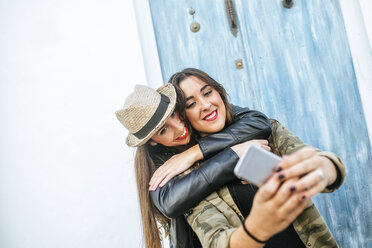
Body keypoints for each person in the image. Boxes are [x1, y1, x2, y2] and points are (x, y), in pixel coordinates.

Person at [147, 68, 345, 247]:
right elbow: (217, 241)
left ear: (219, 92)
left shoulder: (266, 131)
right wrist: (258, 227)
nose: (206, 105)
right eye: (191, 104)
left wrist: (324, 169)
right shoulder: (190, 177)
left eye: (208, 92)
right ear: (183, 116)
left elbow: (324, 166)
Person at [116, 83, 273, 248]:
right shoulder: (158, 169)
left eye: (173, 114)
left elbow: (259, 123)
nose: (179, 127)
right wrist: (235, 154)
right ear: (152, 142)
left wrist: (193, 153)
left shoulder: (204, 119)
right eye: (163, 130)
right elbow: (170, 202)